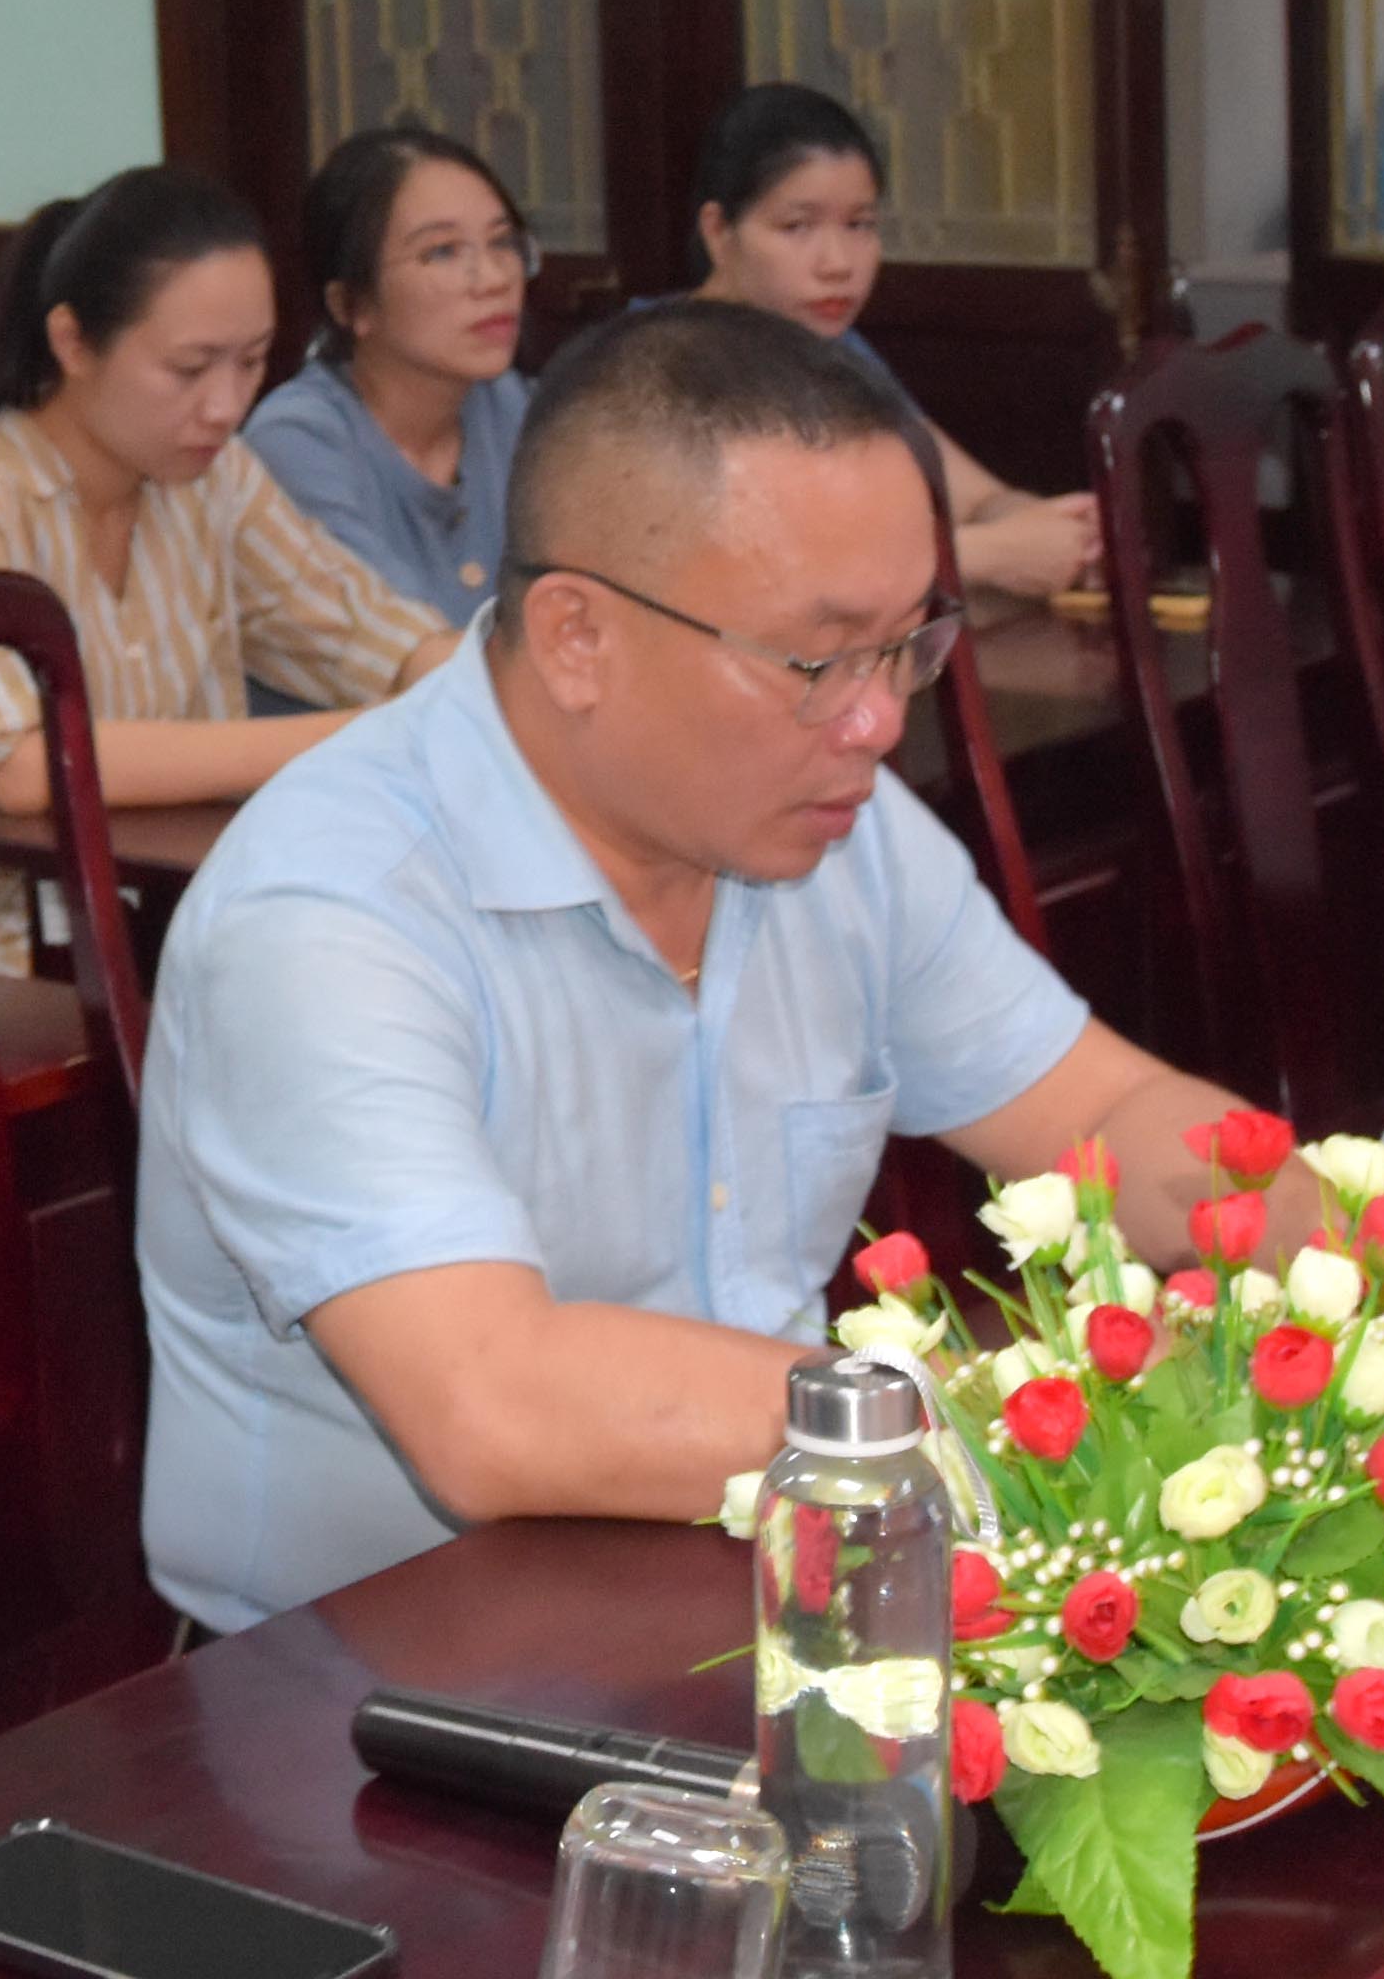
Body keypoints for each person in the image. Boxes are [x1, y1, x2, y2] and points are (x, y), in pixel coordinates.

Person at [136, 301, 1288, 1634]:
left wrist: (1361, 1280)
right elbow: (492, 1404)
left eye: (907, 645)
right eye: (819, 658)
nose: (877, 719)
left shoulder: (835, 834)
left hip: (774, 1582)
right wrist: (1021, 1422)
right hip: (356, 1689)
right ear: (576, 637)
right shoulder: (328, 912)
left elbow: (1100, 1112)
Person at [0, 168, 457, 976]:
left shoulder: (217, 480)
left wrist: (465, 682)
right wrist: (356, 737)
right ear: (73, 344)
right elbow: (24, 768)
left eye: (252, 362)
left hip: (154, 923)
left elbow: (370, 633)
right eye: (190, 369)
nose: (226, 406)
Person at [682, 83, 1097, 599]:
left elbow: (971, 498)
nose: (838, 264)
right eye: (797, 227)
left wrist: (1062, 533)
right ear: (718, 231)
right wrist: (986, 555)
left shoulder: (835, 349)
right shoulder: (657, 368)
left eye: (859, 225)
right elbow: (750, 573)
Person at [241, 128, 533, 631]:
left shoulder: (516, 408)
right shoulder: (297, 442)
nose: (494, 279)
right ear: (350, 304)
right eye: (442, 251)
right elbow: (396, 644)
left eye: (502, 242)